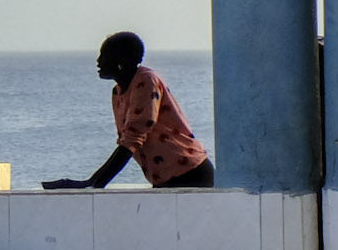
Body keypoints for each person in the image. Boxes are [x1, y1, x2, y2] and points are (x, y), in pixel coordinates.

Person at [42, 32, 215, 190]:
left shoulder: (146, 80)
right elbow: (127, 140)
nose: (98, 61)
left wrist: (94, 183)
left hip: (189, 172)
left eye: (104, 55)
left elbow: (133, 138)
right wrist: (92, 183)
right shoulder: (118, 92)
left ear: (121, 61)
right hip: (166, 178)